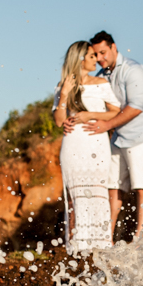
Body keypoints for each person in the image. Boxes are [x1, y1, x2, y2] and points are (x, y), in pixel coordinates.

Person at [81, 31, 143, 239]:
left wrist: (107, 125)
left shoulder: (134, 70)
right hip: (117, 137)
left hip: (141, 135)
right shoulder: (100, 77)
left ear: (114, 48)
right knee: (113, 186)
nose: (99, 59)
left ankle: (139, 238)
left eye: (103, 53)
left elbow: (136, 107)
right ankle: (107, 236)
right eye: (95, 55)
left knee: (142, 185)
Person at [54, 41, 121, 253]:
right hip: (73, 145)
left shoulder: (101, 82)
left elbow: (116, 111)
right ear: (80, 59)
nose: (97, 60)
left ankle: (101, 247)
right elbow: (58, 121)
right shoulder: (63, 85)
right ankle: (77, 248)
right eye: (92, 56)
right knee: (76, 198)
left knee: (98, 193)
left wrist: (90, 115)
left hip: (96, 143)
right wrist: (64, 94)